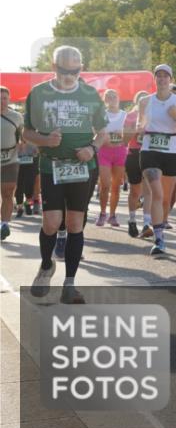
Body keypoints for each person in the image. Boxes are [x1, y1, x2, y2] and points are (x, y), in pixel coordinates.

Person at [24, 46, 108, 304]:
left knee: (74, 224)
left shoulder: (90, 94)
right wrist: (45, 140)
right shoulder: (38, 94)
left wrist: (92, 148)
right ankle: (47, 265)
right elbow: (27, 133)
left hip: (82, 167)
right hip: (52, 166)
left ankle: (70, 284)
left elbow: (103, 131)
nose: (70, 75)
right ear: (54, 67)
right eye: (64, 69)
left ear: (81, 68)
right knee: (51, 223)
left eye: (75, 69)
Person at [138, 65, 176, 256]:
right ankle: (159, 239)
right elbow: (141, 124)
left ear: (171, 79)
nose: (161, 79)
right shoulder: (145, 101)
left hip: (171, 151)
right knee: (157, 193)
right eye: (158, 76)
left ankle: (160, 227)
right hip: (149, 150)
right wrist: (138, 128)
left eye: (165, 76)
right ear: (154, 79)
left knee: (166, 198)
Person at [95, 89, 128, 227]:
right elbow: (95, 131)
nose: (113, 98)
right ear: (105, 100)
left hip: (120, 152)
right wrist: (105, 136)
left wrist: (122, 136)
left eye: (115, 96)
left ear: (119, 98)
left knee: (116, 186)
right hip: (104, 152)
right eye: (109, 97)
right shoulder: (101, 114)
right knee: (105, 185)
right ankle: (103, 213)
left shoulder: (125, 115)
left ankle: (112, 215)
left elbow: (129, 134)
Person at [123, 90, 151, 238]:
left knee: (148, 191)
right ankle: (132, 220)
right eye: (141, 100)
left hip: (150, 154)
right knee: (135, 191)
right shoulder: (131, 116)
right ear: (137, 102)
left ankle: (147, 223)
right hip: (134, 154)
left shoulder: (154, 115)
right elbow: (125, 138)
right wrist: (136, 129)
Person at [1, 87, 23, 241]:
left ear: (9, 100)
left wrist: (24, 144)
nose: (2, 101)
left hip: (11, 160)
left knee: (8, 193)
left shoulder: (17, 117)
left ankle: (4, 224)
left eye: (4, 98)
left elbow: (23, 136)